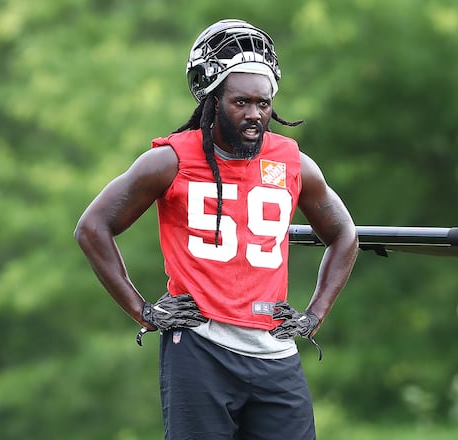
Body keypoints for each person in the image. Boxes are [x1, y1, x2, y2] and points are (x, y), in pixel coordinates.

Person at [74, 19, 359, 439]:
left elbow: (344, 235)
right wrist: (143, 310)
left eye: (263, 103)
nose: (254, 115)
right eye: (241, 102)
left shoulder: (292, 162)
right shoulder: (170, 159)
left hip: (275, 351)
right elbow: (92, 227)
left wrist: (314, 315)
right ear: (213, 100)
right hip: (200, 349)